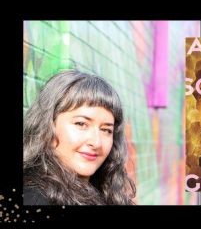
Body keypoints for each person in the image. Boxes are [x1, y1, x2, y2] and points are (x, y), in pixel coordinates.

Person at [23, 70, 136, 205]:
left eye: (106, 130)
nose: (96, 142)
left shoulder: (106, 191)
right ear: (47, 125)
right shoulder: (34, 198)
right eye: (81, 124)